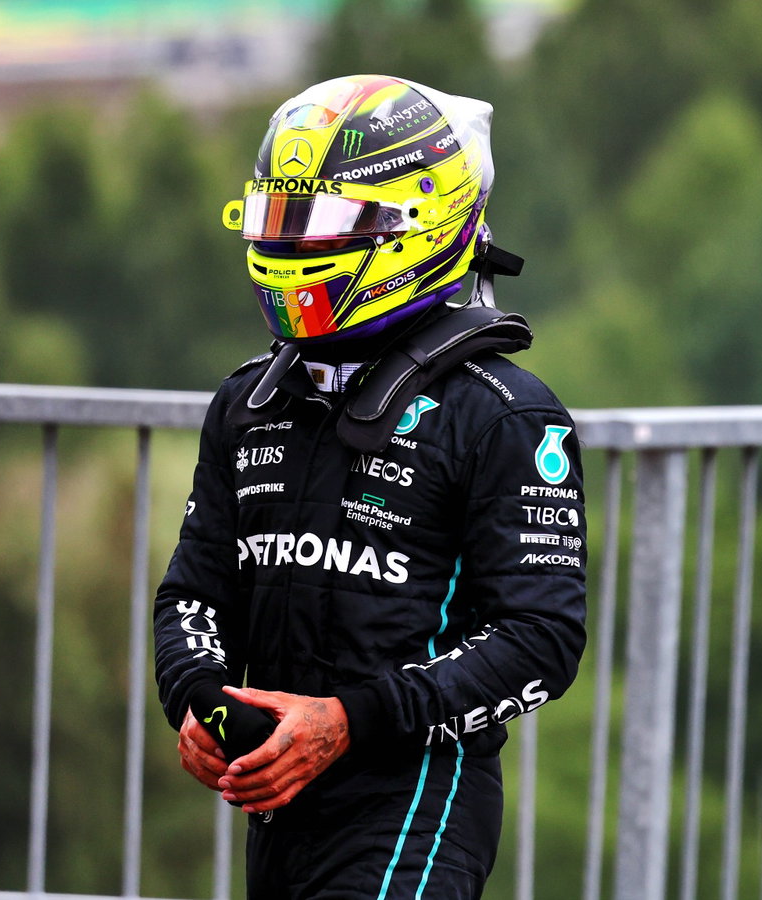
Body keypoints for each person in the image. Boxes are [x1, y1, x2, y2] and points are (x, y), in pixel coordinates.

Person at [151, 74, 587, 899]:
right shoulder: (247, 402)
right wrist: (196, 699)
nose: (291, 254)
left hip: (417, 812)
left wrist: (351, 722)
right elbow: (191, 595)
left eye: (319, 233)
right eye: (280, 227)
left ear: (415, 224)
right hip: (275, 812)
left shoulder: (504, 415)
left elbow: (541, 638)